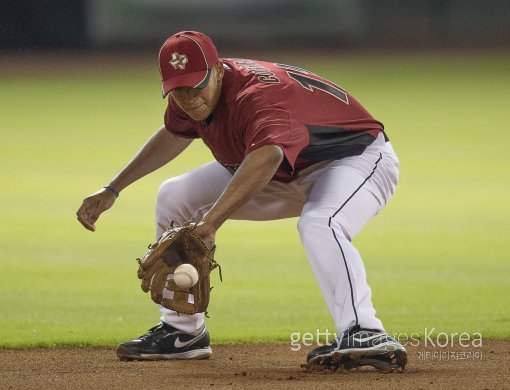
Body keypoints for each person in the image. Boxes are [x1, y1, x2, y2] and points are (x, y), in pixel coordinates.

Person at [77, 31, 407, 370]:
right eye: (178, 91)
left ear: (218, 70)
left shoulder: (258, 97)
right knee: (174, 196)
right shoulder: (189, 97)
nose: (189, 99)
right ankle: (182, 333)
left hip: (353, 159)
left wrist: (210, 223)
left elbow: (266, 157)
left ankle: (365, 331)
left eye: (196, 85)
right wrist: (113, 188)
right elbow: (175, 133)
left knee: (321, 222)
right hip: (283, 169)